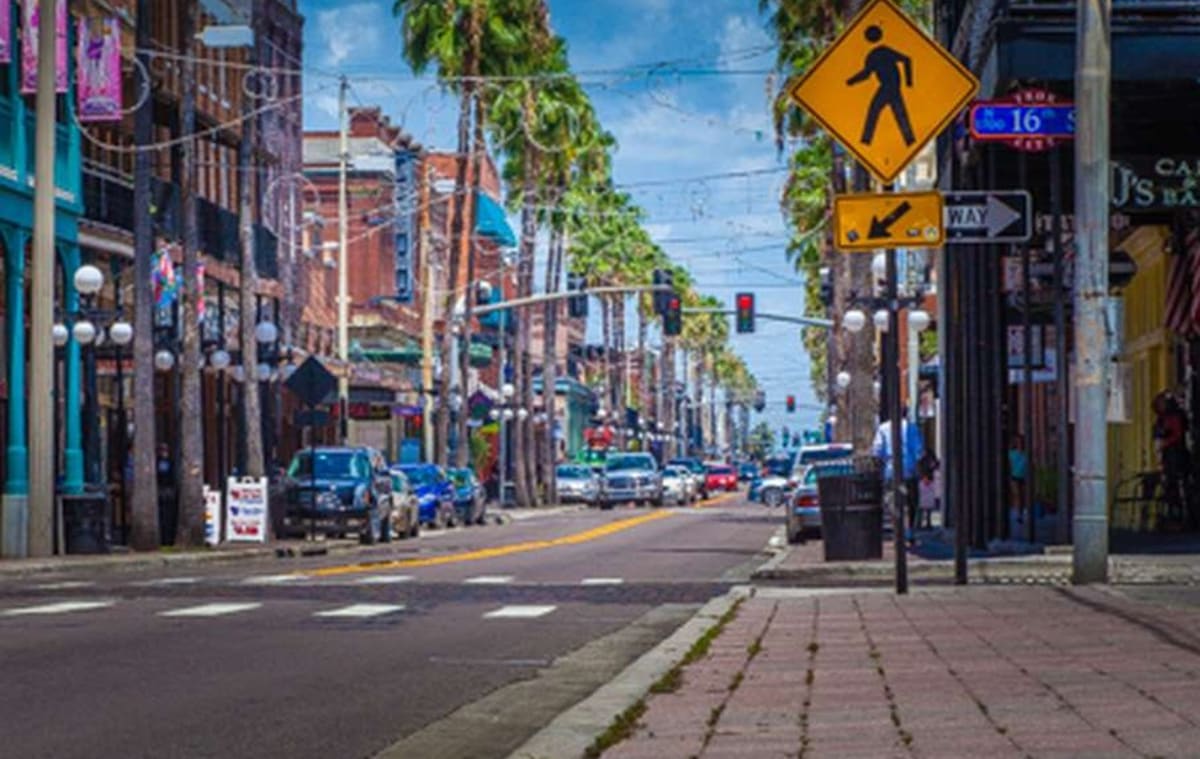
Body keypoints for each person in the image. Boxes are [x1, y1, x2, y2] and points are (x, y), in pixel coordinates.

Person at [873, 409, 924, 538]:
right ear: (906, 413)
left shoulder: (883, 428)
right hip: (909, 470)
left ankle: (897, 527)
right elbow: (919, 452)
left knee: (892, 500)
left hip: (890, 470)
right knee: (912, 501)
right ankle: (910, 530)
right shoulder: (912, 428)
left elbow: (877, 451)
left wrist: (880, 468)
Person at [1153, 392, 1190, 524]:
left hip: (1175, 454)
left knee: (1175, 483)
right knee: (1169, 484)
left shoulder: (1174, 416)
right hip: (1169, 454)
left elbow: (1177, 434)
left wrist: (1164, 443)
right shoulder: (1162, 418)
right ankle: (1173, 513)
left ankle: (1179, 515)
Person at [1008, 434, 1029, 525]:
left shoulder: (1026, 454)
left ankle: (1020, 513)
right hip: (1014, 476)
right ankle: (1018, 514)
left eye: (1021, 442)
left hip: (1024, 476)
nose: (1019, 444)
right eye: (1018, 442)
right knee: (1017, 495)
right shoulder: (1011, 453)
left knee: (1022, 495)